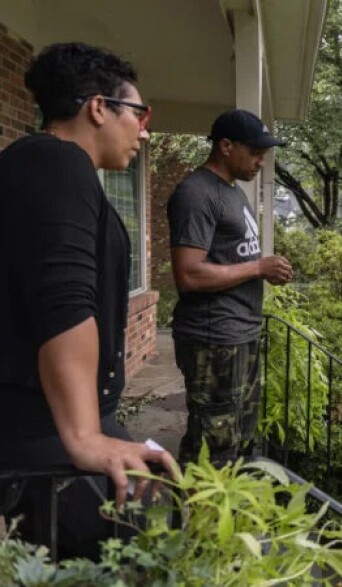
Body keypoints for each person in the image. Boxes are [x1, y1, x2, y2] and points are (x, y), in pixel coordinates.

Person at [0, 42, 177, 558]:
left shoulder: (47, 169)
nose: (144, 131)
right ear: (99, 107)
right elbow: (64, 301)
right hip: (39, 435)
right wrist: (84, 436)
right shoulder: (55, 163)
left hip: (53, 424)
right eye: (140, 114)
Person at [168, 109, 293, 466]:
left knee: (239, 434)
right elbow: (189, 274)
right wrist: (258, 267)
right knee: (212, 441)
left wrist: (264, 268)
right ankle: (194, 502)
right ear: (225, 146)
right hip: (214, 339)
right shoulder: (196, 193)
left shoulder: (232, 192)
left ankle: (230, 499)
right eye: (255, 152)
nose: (261, 161)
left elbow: (229, 257)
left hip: (239, 333)